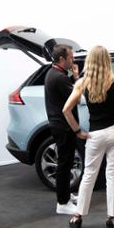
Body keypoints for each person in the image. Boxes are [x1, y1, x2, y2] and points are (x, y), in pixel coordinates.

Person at [62, 45, 114, 228]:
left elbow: (66, 110)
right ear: (107, 61)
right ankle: (112, 219)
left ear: (90, 61)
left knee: (89, 175)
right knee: (112, 174)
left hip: (95, 134)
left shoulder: (83, 83)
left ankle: (78, 217)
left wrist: (78, 131)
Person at [44, 44, 79, 215]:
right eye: (71, 58)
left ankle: (65, 194)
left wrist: (74, 76)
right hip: (64, 126)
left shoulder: (54, 73)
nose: (73, 60)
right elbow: (76, 99)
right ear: (61, 59)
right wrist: (78, 81)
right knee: (64, 164)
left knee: (65, 162)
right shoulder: (59, 78)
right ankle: (62, 203)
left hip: (59, 125)